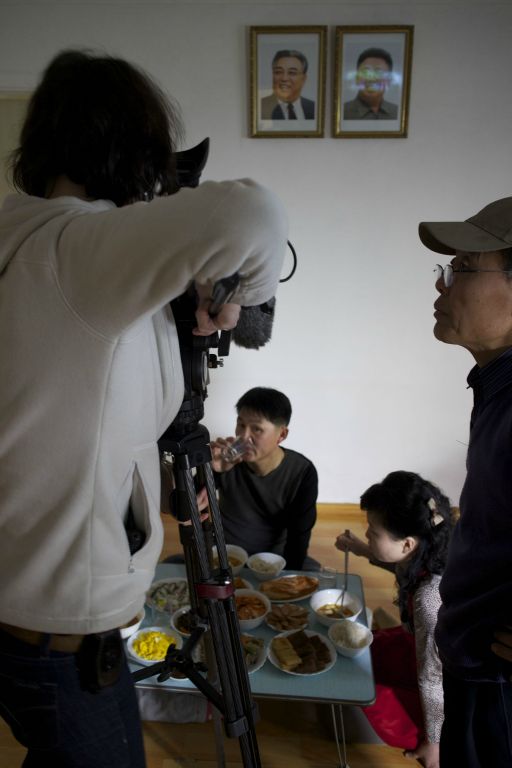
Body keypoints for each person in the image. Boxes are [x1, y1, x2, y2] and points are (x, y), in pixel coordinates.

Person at [0, 49, 287, 768]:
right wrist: (235, 302)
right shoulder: (78, 247)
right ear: (133, 151)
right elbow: (253, 213)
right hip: (60, 627)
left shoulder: (18, 235)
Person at [418, 197, 512, 767]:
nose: (441, 286)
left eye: (463, 269)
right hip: (474, 661)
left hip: (498, 682)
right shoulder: (496, 383)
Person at [335, 471, 453, 768]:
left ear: (407, 544)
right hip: (416, 643)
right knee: (358, 654)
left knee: (363, 693)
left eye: (373, 533)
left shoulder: (429, 600)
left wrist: (434, 743)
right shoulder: (425, 551)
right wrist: (361, 549)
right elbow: (400, 565)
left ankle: (434, 738)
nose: (366, 534)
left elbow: (432, 677)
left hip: (445, 682)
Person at [210, 387, 318, 570]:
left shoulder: (302, 472)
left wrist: (285, 578)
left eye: (257, 429)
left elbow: (298, 539)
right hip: (225, 554)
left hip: (271, 561)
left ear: (281, 435)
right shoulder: (226, 460)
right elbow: (186, 509)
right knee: (171, 565)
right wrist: (213, 471)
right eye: (241, 425)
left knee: (314, 573)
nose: (244, 437)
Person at [343, 47, 398, 120]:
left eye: (378, 73)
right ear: (356, 78)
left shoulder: (397, 113)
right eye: (366, 72)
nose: (371, 78)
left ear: (389, 80)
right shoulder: (343, 112)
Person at [260, 50, 315, 121]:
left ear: (303, 79)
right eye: (278, 72)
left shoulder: (313, 107)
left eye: (292, 73)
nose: (284, 78)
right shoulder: (260, 106)